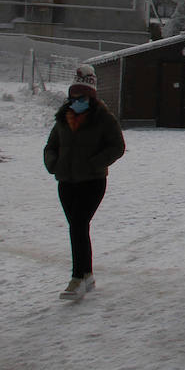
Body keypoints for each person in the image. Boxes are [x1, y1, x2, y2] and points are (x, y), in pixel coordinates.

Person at [43, 64, 125, 300]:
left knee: (78, 225)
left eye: (82, 96)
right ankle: (87, 275)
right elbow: (51, 146)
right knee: (77, 227)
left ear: (91, 96)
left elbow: (117, 147)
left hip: (92, 182)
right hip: (66, 182)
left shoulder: (103, 119)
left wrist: (94, 163)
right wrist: (53, 164)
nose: (77, 100)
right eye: (74, 96)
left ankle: (77, 278)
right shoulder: (63, 119)